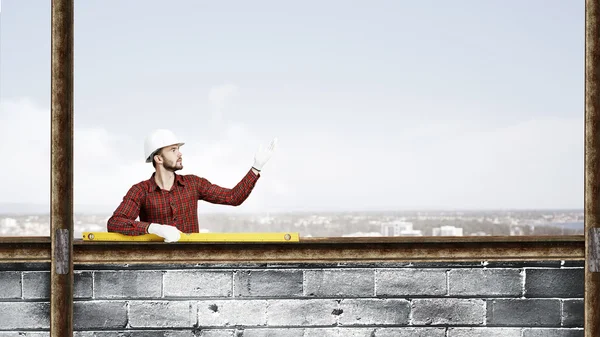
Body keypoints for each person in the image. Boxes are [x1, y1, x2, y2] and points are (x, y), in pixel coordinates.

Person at [106, 129, 277, 242]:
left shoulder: (193, 184)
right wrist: (154, 228)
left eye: (178, 149)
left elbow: (233, 197)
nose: (180, 153)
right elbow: (115, 223)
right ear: (158, 158)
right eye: (173, 150)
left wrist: (256, 167)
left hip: (191, 262)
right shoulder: (140, 191)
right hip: (156, 266)